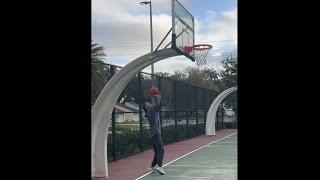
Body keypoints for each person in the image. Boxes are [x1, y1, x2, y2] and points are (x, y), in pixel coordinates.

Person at [143, 91, 166, 175]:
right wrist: (157, 97)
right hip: (156, 133)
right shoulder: (151, 111)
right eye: (147, 104)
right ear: (146, 107)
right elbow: (157, 105)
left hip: (153, 134)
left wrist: (154, 98)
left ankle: (152, 166)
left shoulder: (151, 111)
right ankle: (159, 167)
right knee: (161, 150)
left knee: (157, 151)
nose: (149, 104)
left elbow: (158, 107)